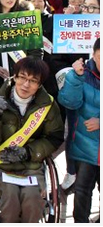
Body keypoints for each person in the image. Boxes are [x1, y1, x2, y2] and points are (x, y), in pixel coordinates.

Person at [0, 57, 64, 223]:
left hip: (32, 164)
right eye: (22, 77)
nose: (26, 85)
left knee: (33, 199)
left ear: (40, 85)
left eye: (33, 81)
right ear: (14, 77)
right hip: (2, 164)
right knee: (10, 198)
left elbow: (54, 137)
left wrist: (28, 153)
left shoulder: (48, 105)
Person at [58, 38, 100, 223]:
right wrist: (75, 77)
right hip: (85, 145)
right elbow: (69, 102)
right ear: (94, 53)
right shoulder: (81, 72)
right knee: (82, 191)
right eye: (100, 57)